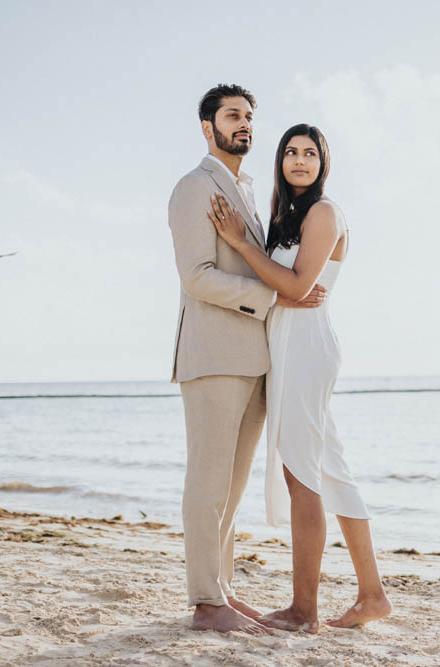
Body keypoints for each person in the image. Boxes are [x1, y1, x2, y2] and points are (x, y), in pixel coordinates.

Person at [208, 124, 392, 633]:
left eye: (310, 153)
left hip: (308, 347)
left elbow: (294, 284)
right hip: (290, 346)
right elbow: (281, 288)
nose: (299, 160)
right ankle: (372, 595)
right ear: (281, 161)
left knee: (301, 472)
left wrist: (242, 245)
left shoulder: (326, 213)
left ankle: (304, 610)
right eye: (291, 151)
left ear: (323, 164)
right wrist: (270, 275)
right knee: (329, 469)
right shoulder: (286, 219)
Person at [167, 85, 327, 634]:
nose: (244, 125)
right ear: (207, 127)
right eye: (232, 116)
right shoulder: (193, 188)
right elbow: (196, 277)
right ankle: (205, 601)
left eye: (249, 117)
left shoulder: (247, 191)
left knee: (230, 491)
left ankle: (224, 591)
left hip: (254, 360)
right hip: (212, 355)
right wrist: (273, 297)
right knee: (206, 485)